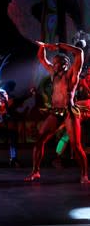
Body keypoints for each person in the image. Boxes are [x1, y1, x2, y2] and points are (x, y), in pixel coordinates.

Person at [24, 41, 89, 183]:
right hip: (55, 112)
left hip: (69, 112)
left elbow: (79, 53)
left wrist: (58, 44)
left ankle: (84, 175)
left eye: (56, 62)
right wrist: (43, 46)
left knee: (76, 146)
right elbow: (42, 58)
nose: (53, 65)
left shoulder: (72, 74)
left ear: (65, 64)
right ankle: (35, 172)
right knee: (39, 141)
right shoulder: (54, 74)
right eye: (53, 62)